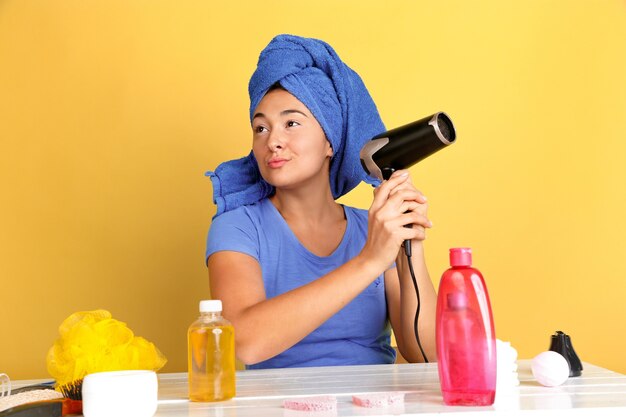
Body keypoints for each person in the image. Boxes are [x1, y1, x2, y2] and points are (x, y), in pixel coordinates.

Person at [205, 34, 437, 369]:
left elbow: (424, 355)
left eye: (291, 123)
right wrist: (370, 260)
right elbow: (244, 343)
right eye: (261, 128)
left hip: (369, 403)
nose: (274, 141)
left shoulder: (373, 228)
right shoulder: (237, 226)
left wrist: (408, 244)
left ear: (330, 140)